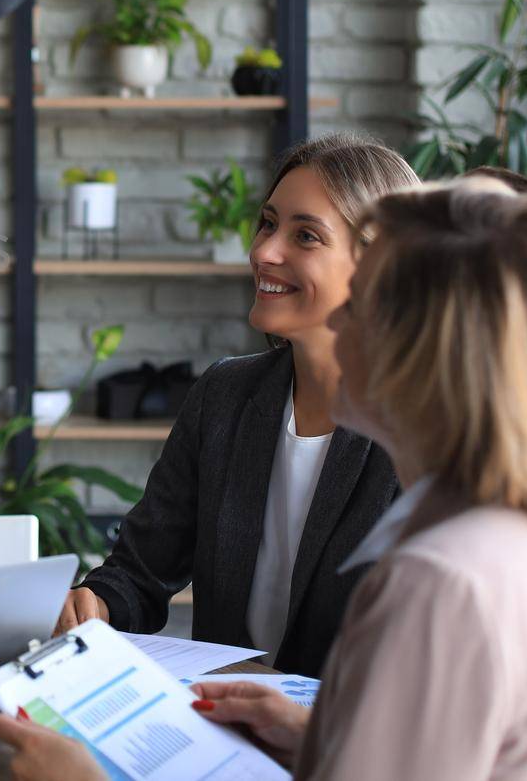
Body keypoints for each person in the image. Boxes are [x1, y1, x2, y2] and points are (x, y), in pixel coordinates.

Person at [0, 177, 527, 779]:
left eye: (360, 303)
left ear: (418, 350)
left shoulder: (439, 582)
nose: (339, 327)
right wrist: (324, 740)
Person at [54, 134, 418, 677]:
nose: (264, 252)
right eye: (268, 224)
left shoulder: (424, 428)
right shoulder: (225, 395)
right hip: (224, 737)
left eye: (306, 236)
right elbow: (141, 570)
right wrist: (95, 605)